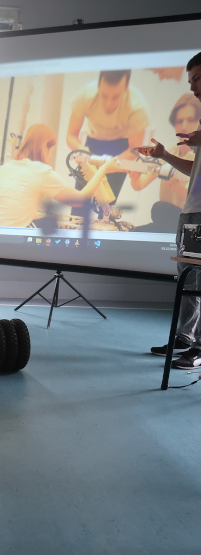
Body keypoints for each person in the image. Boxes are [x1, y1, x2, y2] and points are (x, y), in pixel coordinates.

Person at [146, 52, 201, 369]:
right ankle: (185, 338)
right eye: (191, 81)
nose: (193, 87)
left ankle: (199, 347)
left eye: (198, 78)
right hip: (192, 211)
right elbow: (195, 169)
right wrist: (164, 155)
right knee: (188, 278)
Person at [0, 124, 117, 229]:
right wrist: (103, 169)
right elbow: (79, 200)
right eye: (51, 151)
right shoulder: (41, 171)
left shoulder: (4, 168)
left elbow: (9, 205)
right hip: (14, 239)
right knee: (51, 223)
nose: (50, 156)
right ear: (44, 148)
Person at [67, 70, 149, 201]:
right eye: (104, 96)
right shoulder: (86, 95)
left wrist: (109, 165)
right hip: (91, 145)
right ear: (99, 85)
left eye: (115, 97)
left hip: (121, 149)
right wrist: (81, 150)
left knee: (107, 206)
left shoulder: (137, 107)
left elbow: (134, 149)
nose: (109, 104)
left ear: (126, 88)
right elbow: (71, 135)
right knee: (80, 202)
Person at [130, 94, 201, 232]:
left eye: (190, 120)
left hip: (188, 221)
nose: (184, 126)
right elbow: (139, 184)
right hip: (164, 219)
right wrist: (135, 177)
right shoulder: (168, 150)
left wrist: (178, 188)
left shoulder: (197, 158)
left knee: (159, 208)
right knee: (134, 231)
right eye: (179, 121)